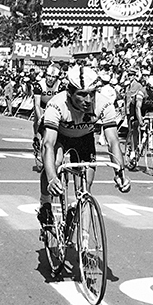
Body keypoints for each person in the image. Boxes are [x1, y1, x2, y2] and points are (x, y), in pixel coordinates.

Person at [37, 65, 130, 228]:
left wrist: (120, 173)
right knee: (56, 160)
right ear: (70, 93)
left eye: (91, 94)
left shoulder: (104, 104)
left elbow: (113, 141)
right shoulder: (56, 104)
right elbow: (48, 144)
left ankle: (85, 245)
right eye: (81, 95)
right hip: (59, 136)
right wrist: (52, 178)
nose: (88, 100)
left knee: (85, 190)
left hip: (84, 138)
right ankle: (45, 203)